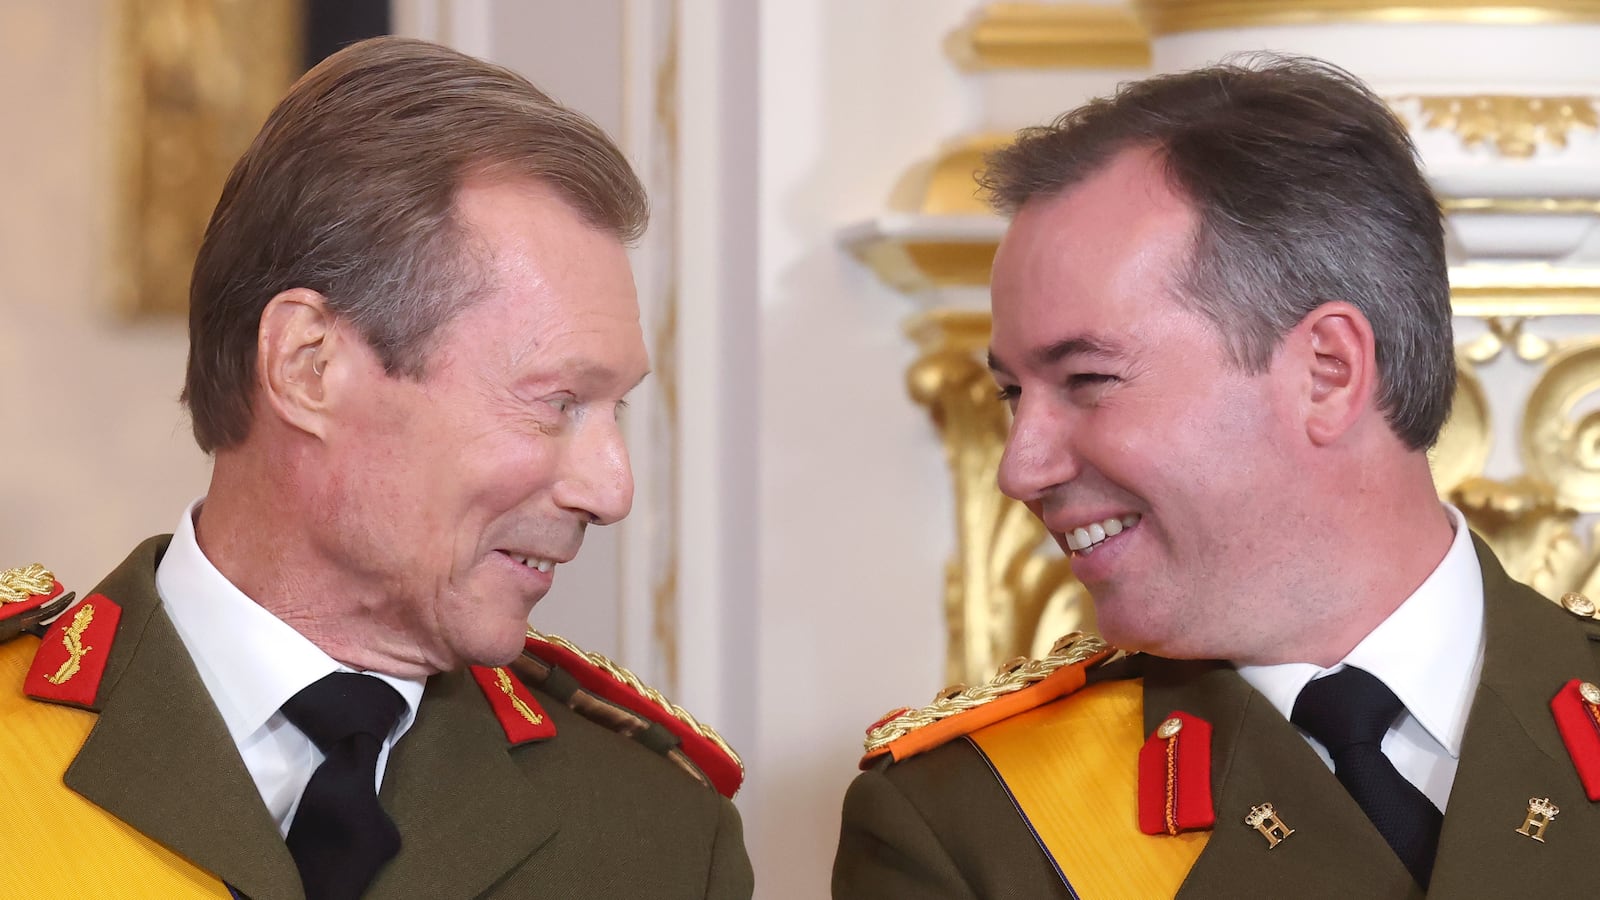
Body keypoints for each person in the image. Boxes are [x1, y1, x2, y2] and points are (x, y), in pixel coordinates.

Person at [0, 37, 751, 900]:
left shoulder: (652, 834)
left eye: (613, 411)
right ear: (308, 366)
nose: (611, 490)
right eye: (557, 401)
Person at [833, 56, 1600, 898]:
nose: (1021, 467)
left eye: (1087, 379)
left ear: (1328, 371)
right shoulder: (966, 825)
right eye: (1014, 393)